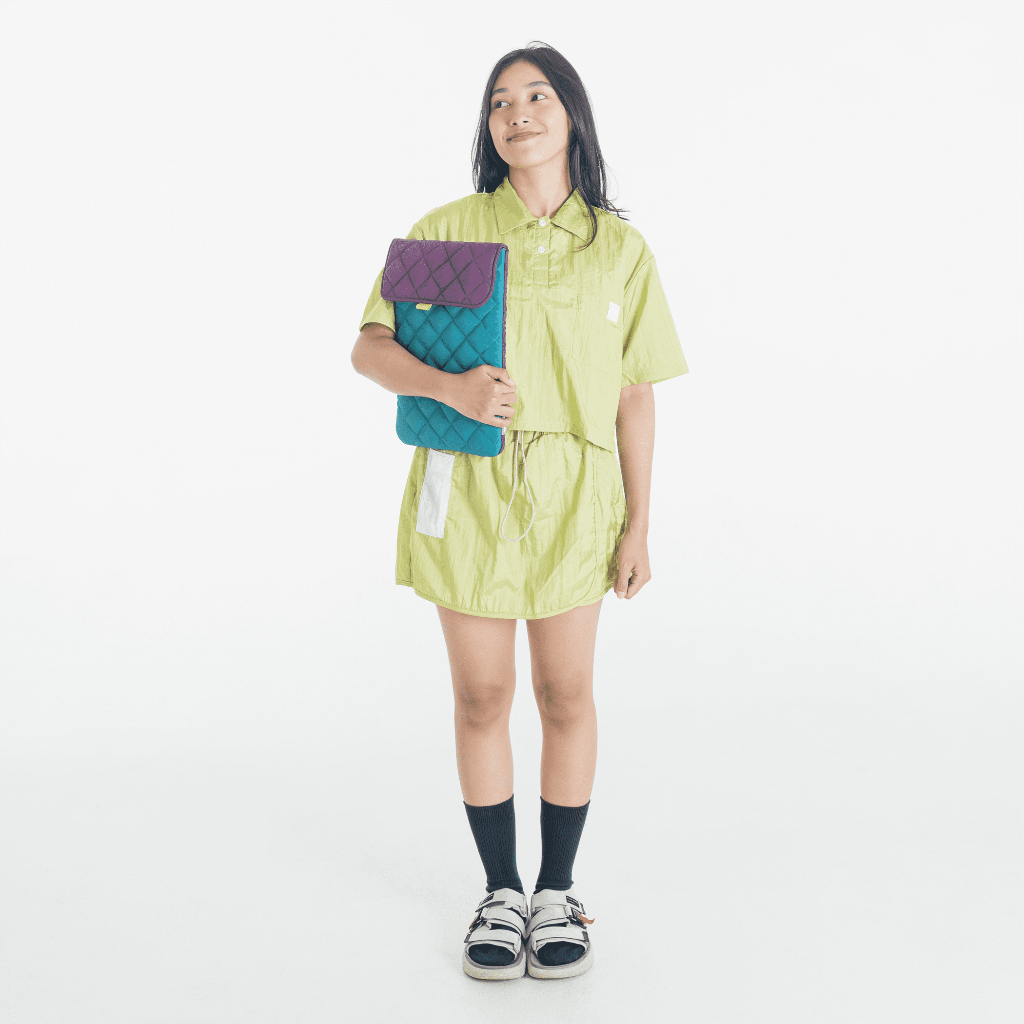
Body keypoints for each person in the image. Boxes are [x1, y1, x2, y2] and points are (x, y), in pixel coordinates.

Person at [351, 42, 688, 981]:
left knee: (566, 694)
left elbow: (634, 394)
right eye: (501, 101)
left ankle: (557, 890)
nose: (518, 113)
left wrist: (639, 525)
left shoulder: (618, 248)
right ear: (488, 126)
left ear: (571, 114)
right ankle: (500, 891)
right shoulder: (447, 231)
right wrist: (448, 388)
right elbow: (369, 349)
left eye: (538, 95)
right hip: (464, 487)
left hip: (579, 497)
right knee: (482, 696)